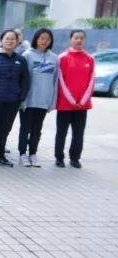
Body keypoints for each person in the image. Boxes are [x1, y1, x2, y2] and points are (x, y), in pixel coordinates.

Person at [0, 30, 29, 167]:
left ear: (17, 41)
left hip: (12, 101)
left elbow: (25, 81)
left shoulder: (21, 60)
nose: (10, 41)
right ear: (1, 41)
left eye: (13, 39)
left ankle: (0, 156)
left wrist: (21, 97)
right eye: (7, 38)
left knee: (5, 129)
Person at [18, 28, 58, 167]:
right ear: (36, 39)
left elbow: (55, 81)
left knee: (37, 129)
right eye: (42, 38)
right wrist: (22, 99)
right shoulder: (27, 55)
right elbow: (22, 79)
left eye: (47, 39)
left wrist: (52, 101)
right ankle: (22, 153)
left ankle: (33, 153)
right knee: (25, 128)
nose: (44, 41)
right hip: (28, 100)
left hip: (43, 101)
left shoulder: (54, 58)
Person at [54, 30, 94, 169]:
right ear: (70, 39)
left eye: (81, 38)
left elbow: (91, 81)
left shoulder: (90, 59)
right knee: (61, 133)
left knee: (78, 134)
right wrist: (71, 100)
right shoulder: (62, 58)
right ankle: (59, 157)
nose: (79, 40)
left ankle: (75, 158)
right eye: (76, 37)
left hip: (82, 105)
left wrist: (82, 101)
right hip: (65, 104)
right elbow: (60, 81)